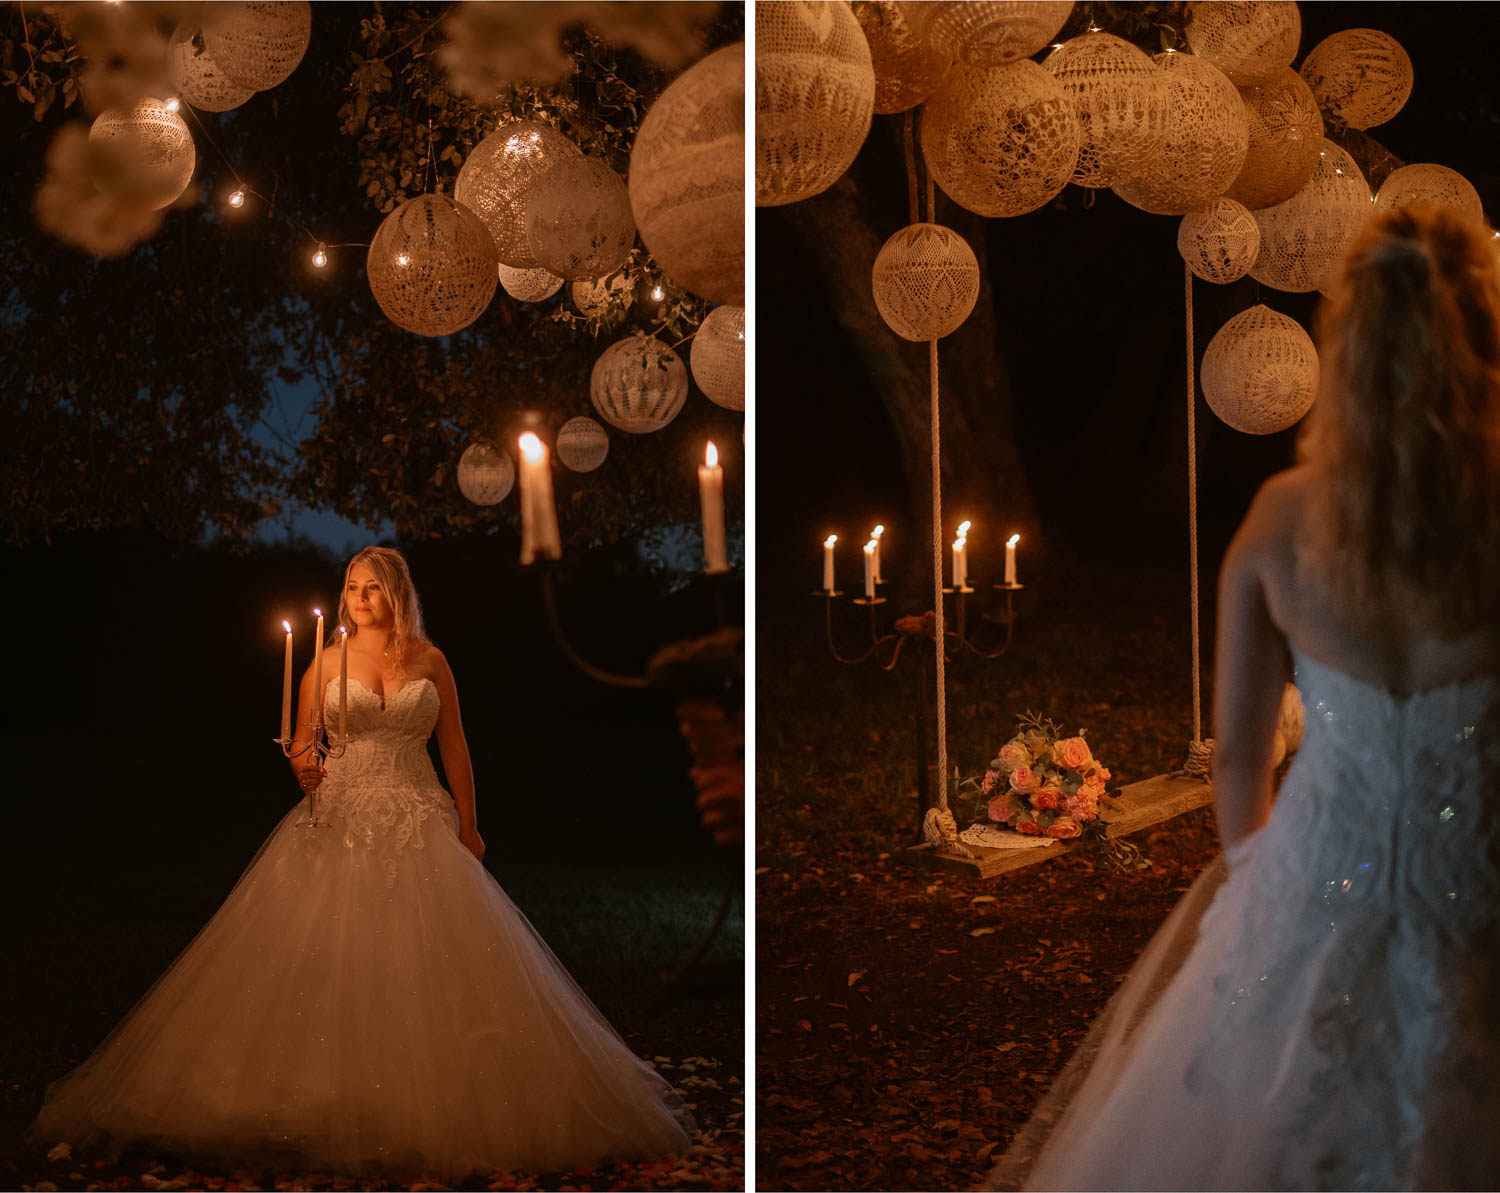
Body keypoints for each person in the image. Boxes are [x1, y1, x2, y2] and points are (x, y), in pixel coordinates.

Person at [987, 205, 1500, 1191]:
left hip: (1317, 884)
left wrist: (1270, 893)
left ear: (1347, 341)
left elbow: (1235, 755)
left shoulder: (1281, 517)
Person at [33, 546, 694, 1181]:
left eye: (371, 585)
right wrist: (303, 766)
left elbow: (456, 745)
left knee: (435, 958)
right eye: (351, 586)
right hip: (340, 816)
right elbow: (299, 742)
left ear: (396, 593)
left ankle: (431, 1099)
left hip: (418, 813)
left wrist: (469, 821)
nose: (360, 597)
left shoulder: (432, 660)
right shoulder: (324, 660)